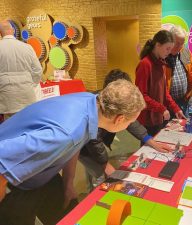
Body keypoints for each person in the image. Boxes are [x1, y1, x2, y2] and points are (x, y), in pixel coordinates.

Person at [0, 80, 145, 225]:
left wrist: (68, 183)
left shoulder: (90, 101)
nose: (129, 126)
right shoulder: (65, 134)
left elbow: (75, 145)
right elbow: (2, 163)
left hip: (41, 174)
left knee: (71, 212)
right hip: (12, 183)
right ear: (119, 119)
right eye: (130, 122)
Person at [80, 69, 172, 178]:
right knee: (97, 173)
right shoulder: (92, 116)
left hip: (90, 143)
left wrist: (151, 141)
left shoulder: (108, 106)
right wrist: (104, 165)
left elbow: (132, 122)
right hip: (81, 146)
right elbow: (93, 141)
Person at [136, 30, 186, 137]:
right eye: (167, 48)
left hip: (158, 116)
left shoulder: (161, 63)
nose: (169, 52)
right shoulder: (145, 64)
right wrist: (161, 108)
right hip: (148, 118)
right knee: (148, 146)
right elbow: (141, 96)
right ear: (158, 45)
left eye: (170, 49)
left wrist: (175, 108)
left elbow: (165, 92)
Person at [0, 20, 42, 120]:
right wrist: (30, 83)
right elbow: (38, 70)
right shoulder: (27, 47)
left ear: (0, 33)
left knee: (9, 128)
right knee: (26, 124)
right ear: (13, 30)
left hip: (7, 97)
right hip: (27, 95)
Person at [165, 25, 192, 116]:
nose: (179, 47)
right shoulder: (163, 56)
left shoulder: (186, 52)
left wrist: (191, 92)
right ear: (169, 40)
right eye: (177, 43)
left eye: (182, 43)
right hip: (167, 103)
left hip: (184, 101)